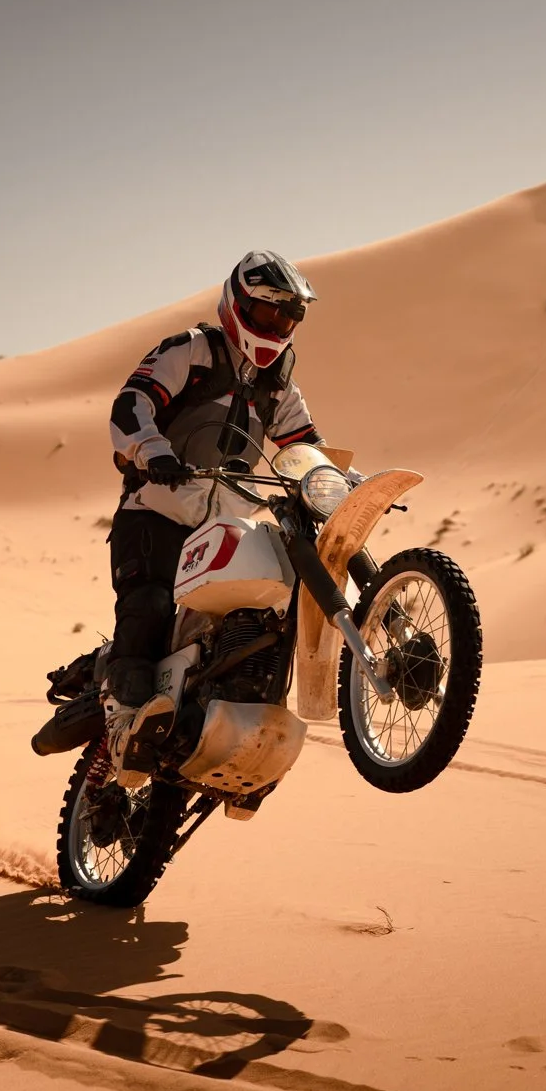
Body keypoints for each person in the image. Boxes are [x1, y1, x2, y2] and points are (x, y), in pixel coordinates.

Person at [101, 251, 323, 741]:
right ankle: (120, 719)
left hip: (228, 531)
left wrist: (330, 482)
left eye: (291, 315)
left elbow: (306, 447)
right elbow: (130, 404)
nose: (280, 323)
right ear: (239, 304)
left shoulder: (279, 385)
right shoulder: (192, 351)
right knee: (150, 607)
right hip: (156, 513)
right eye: (270, 311)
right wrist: (153, 451)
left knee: (257, 622)